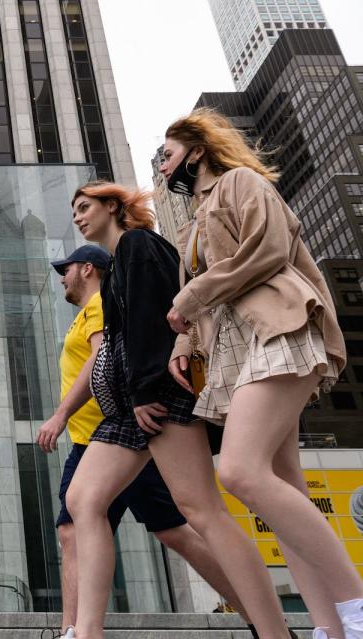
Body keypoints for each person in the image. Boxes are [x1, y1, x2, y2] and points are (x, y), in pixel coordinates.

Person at [63, 180, 300, 639]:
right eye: (74, 210)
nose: (77, 216)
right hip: (128, 407)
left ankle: (273, 632)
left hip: (157, 395)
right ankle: (87, 632)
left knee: (201, 510)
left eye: (84, 206)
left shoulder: (139, 245)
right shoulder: (116, 268)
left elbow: (157, 320)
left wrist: (144, 391)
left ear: (113, 206)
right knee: (83, 499)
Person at [161, 108, 362, 639]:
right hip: (239, 350)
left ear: (196, 150)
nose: (162, 167)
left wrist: (190, 296)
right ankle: (329, 630)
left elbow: (268, 251)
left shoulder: (241, 183)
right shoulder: (191, 224)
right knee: (282, 491)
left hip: (281, 325)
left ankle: (357, 607)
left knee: (240, 470)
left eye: (168, 154)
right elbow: (203, 304)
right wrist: (184, 341)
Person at [37, 245, 251, 639]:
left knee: (174, 528)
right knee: (103, 526)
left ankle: (258, 612)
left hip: (118, 434)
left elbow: (101, 359)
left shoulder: (101, 306)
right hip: (100, 437)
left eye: (64, 269)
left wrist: (60, 414)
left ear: (88, 269)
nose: (61, 278)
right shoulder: (84, 315)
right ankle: (75, 630)